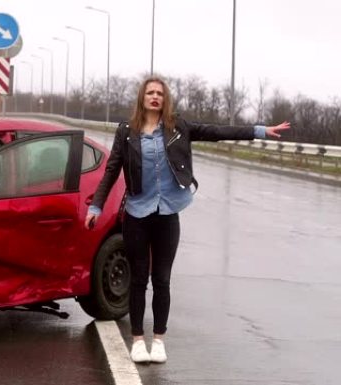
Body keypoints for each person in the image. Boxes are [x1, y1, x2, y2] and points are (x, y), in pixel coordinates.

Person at [84, 76, 290, 364]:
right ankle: (138, 340)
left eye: (160, 93)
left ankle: (158, 340)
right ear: (142, 98)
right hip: (137, 214)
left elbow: (217, 131)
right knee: (139, 279)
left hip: (168, 213)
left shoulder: (177, 127)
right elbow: (111, 171)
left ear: (165, 99)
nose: (155, 96)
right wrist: (96, 207)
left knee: (163, 280)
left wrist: (259, 130)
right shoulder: (126, 132)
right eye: (150, 92)